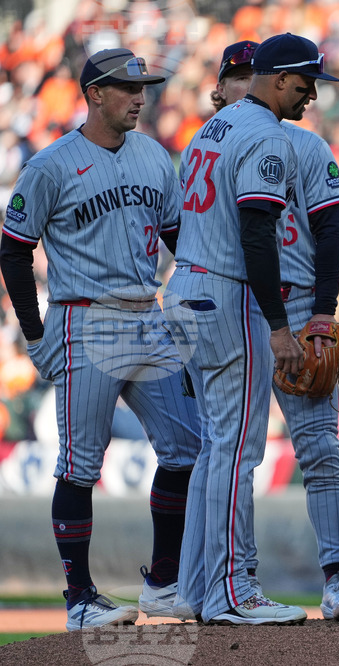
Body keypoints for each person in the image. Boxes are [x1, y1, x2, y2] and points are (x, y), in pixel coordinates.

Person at [0, 48, 201, 631]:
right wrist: (36, 333)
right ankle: (80, 598)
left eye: (144, 87)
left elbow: (177, 238)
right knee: (81, 464)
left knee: (186, 449)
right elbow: (13, 250)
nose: (140, 97)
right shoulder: (50, 165)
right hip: (85, 318)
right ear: (93, 93)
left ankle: (163, 584)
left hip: (148, 314)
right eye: (126, 88)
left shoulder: (154, 156)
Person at [165, 33, 337, 626]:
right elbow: (258, 232)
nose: (312, 94)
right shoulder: (266, 134)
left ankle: (197, 588)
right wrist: (279, 324)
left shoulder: (211, 128)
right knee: (237, 452)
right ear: (280, 77)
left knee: (216, 449)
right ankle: (233, 590)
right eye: (307, 82)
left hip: (186, 288)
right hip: (226, 292)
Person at [205, 40, 339, 622]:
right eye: (236, 74)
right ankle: (235, 579)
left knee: (318, 451)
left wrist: (322, 312)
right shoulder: (220, 143)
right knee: (232, 454)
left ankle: (337, 580)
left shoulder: (303, 142)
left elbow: (330, 229)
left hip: (293, 305)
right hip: (238, 306)